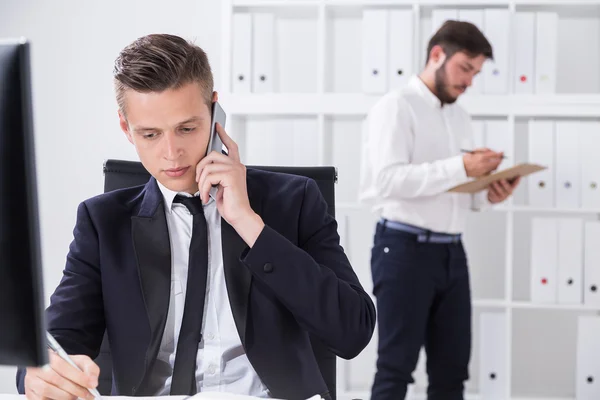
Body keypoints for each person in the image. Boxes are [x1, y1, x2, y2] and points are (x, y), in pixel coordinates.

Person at [17, 33, 376, 400]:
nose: (171, 153)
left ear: (215, 111)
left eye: (187, 128)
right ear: (126, 128)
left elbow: (352, 332)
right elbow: (58, 339)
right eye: (150, 134)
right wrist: (40, 370)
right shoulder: (102, 222)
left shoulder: (294, 201)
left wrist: (250, 224)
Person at [359, 21, 520, 400]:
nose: (469, 82)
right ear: (437, 55)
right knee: (395, 368)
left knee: (452, 372)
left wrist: (488, 193)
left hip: (451, 252)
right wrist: (463, 167)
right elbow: (385, 182)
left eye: (476, 73)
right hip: (403, 249)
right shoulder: (396, 107)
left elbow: (455, 191)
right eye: (465, 68)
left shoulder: (459, 117)